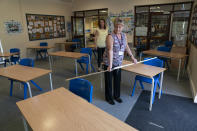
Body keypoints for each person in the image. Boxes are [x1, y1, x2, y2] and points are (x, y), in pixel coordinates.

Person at [103, 17, 137, 105]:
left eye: (120, 27)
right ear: (114, 26)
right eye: (116, 27)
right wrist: (110, 65)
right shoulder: (110, 36)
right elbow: (110, 50)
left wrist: (132, 57)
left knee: (117, 80)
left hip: (118, 62)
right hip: (108, 62)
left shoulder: (124, 36)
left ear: (123, 27)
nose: (118, 29)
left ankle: (116, 96)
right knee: (109, 81)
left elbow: (126, 47)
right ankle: (109, 97)